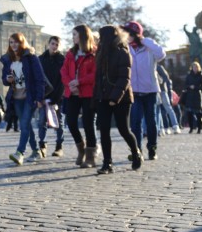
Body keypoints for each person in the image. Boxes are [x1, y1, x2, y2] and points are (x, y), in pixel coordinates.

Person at [94, 25, 141, 174]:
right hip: (103, 97)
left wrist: (115, 98)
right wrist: (96, 99)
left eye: (101, 37)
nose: (99, 40)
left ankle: (136, 153)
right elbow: (98, 78)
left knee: (123, 129)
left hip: (122, 98)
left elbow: (124, 78)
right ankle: (107, 163)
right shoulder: (101, 53)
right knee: (104, 131)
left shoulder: (123, 52)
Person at [1, 32, 46, 165]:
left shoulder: (30, 58)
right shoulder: (7, 59)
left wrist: (39, 98)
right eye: (11, 42)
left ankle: (20, 152)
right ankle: (36, 151)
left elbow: (40, 79)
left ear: (22, 43)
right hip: (16, 96)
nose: (14, 45)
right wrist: (7, 79)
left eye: (16, 42)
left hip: (29, 96)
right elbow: (4, 80)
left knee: (24, 124)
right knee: (26, 125)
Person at [123, 21, 165, 160]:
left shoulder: (148, 47)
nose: (126, 35)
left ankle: (152, 148)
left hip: (150, 90)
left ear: (136, 34)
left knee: (151, 121)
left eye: (129, 33)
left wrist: (146, 40)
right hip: (134, 91)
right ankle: (137, 150)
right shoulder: (126, 48)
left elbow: (161, 54)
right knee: (135, 122)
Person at [61, 24, 98, 167]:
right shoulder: (71, 53)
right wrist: (70, 83)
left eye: (75, 34)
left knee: (88, 123)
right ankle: (81, 149)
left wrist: (79, 82)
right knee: (70, 122)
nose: (72, 37)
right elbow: (63, 71)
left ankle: (91, 157)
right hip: (72, 93)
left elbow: (95, 74)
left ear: (82, 35)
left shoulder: (94, 53)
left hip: (88, 93)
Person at [37, 35, 65, 158]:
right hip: (43, 96)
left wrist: (57, 98)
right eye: (52, 44)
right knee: (42, 121)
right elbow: (37, 79)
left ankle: (59, 146)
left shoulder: (62, 60)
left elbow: (63, 81)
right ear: (48, 44)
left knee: (58, 122)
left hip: (58, 96)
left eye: (56, 45)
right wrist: (39, 97)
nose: (54, 46)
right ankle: (42, 145)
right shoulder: (41, 59)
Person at [182, 62, 202, 133]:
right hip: (190, 96)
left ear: (198, 68)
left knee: (198, 113)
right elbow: (185, 85)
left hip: (197, 95)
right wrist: (189, 87)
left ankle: (199, 128)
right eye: (194, 67)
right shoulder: (189, 76)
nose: (195, 68)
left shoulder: (201, 76)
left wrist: (196, 87)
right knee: (189, 113)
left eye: (196, 67)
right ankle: (191, 128)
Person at [156, 64, 180, 135]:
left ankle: (175, 126)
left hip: (162, 90)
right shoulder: (157, 66)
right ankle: (161, 128)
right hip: (156, 91)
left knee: (167, 108)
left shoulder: (158, 67)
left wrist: (159, 82)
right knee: (158, 110)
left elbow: (166, 78)